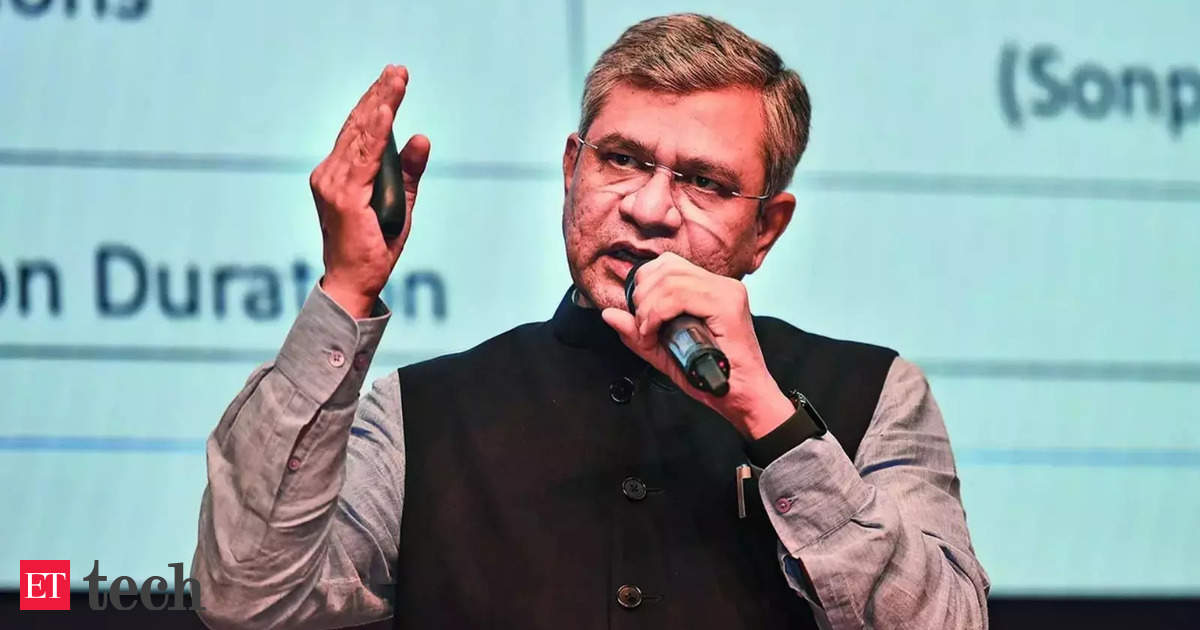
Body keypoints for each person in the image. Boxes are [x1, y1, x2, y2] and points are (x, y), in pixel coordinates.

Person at [191, 13, 989, 630]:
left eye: (704, 182)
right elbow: (249, 603)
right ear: (572, 170)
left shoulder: (875, 393)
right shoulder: (422, 413)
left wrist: (772, 425)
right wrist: (346, 290)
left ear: (766, 230)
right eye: (623, 160)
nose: (649, 208)